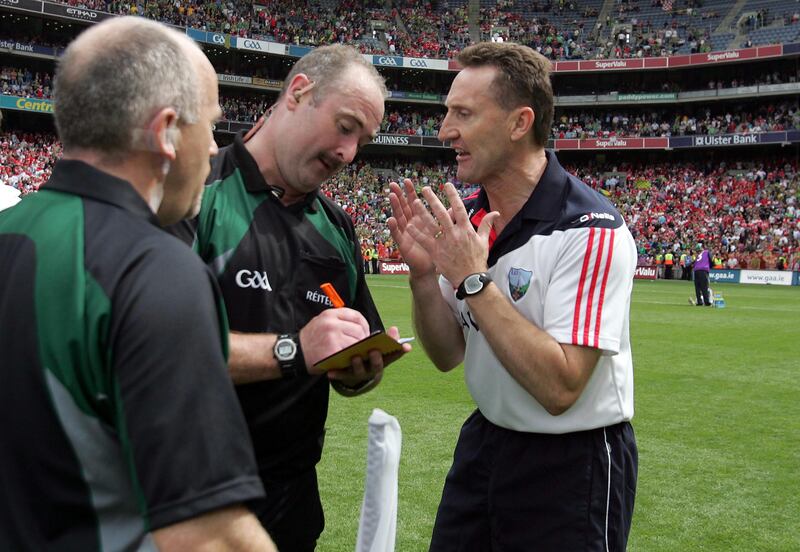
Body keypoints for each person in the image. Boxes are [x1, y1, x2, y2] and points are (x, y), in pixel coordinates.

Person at [0, 17, 276, 551]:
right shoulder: (154, 270)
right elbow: (207, 537)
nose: (216, 149)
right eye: (211, 126)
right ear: (167, 131)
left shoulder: (10, 230)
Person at [388, 42, 638, 551]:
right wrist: (421, 278)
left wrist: (473, 282)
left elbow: (561, 388)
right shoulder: (471, 223)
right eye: (446, 113)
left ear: (519, 123)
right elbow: (446, 355)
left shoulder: (591, 230)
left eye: (463, 114)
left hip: (571, 465)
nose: (444, 131)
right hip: (486, 444)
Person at [169, 43, 409, 552]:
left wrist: (359, 370)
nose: (349, 154)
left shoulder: (338, 227)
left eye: (362, 140)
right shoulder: (195, 192)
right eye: (345, 127)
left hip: (294, 502)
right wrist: (293, 350)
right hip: (185, 496)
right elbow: (157, 352)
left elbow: (346, 359)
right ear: (298, 93)